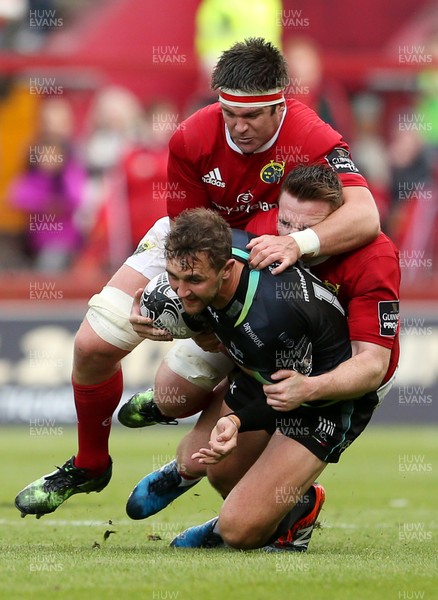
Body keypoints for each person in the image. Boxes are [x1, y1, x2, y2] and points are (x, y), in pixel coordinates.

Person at [15, 38, 379, 519]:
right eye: (229, 113)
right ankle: (89, 463)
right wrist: (175, 297)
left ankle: (186, 442)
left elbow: (367, 214)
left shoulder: (313, 136)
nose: (238, 127)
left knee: (181, 401)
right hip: (198, 244)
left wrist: (297, 244)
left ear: (279, 105)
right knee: (92, 344)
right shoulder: (190, 137)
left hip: (267, 265)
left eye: (251, 116)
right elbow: (188, 239)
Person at [124, 165, 400, 551]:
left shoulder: (374, 259)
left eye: (304, 230)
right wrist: (158, 311)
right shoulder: (262, 230)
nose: (287, 236)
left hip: (335, 383)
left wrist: (308, 388)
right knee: (204, 451)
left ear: (335, 223)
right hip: (266, 357)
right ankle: (203, 474)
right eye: (284, 222)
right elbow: (200, 261)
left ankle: (282, 515)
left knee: (239, 530)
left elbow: (372, 366)